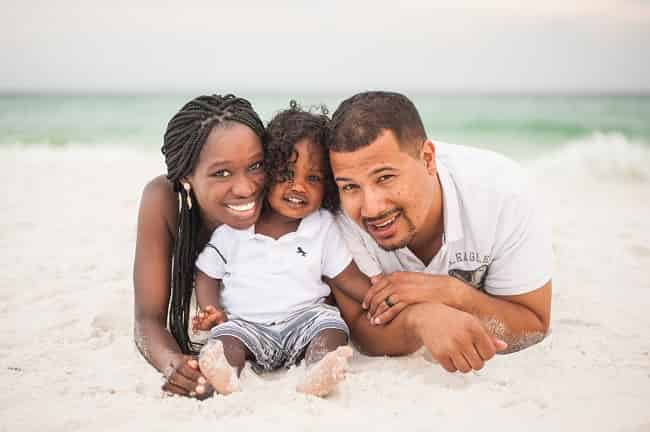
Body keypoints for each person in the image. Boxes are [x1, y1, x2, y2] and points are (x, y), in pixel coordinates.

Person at [325, 91, 553, 373]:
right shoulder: (336, 213)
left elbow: (534, 324)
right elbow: (361, 327)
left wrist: (452, 294)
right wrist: (420, 319)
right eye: (350, 186)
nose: (371, 208)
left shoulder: (504, 193)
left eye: (385, 178)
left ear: (428, 159)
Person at [191, 102, 370, 397]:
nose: (298, 186)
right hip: (247, 326)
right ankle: (224, 375)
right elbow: (207, 273)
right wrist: (212, 310)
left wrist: (375, 296)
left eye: (312, 178)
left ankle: (317, 369)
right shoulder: (236, 226)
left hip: (305, 322)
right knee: (224, 341)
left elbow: (346, 277)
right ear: (268, 172)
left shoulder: (321, 226)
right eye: (287, 174)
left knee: (331, 326)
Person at [133, 94, 269, 399]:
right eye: (222, 172)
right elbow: (147, 319)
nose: (246, 187)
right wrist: (174, 364)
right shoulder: (164, 201)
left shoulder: (285, 196)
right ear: (186, 177)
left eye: (256, 165)